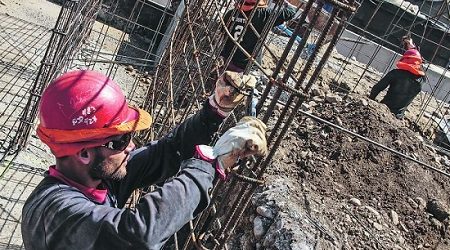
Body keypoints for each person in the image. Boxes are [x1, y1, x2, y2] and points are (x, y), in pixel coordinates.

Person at [21, 70, 266, 250]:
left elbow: (167, 151)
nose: (131, 146)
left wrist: (214, 111)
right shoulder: (54, 212)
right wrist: (211, 164)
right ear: (84, 153)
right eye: (119, 141)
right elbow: (139, 235)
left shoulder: (96, 178)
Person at [220, 0, 297, 72]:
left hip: (228, 60)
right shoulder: (264, 14)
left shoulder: (230, 13)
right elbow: (291, 12)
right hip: (246, 66)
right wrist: (284, 3)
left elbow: (223, 33)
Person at [369, 37, 426, 119]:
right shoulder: (421, 80)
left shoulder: (395, 73)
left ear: (404, 59)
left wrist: (371, 99)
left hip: (384, 109)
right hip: (398, 117)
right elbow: (420, 66)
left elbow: (378, 88)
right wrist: (414, 49)